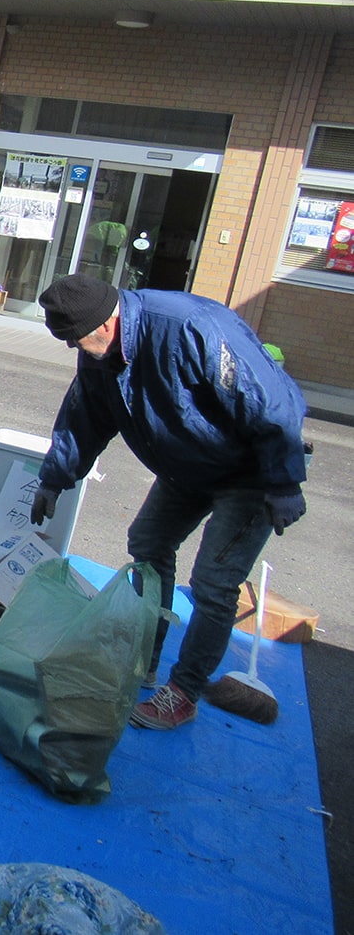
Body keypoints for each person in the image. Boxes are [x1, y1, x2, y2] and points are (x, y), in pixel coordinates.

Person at [29, 273, 309, 732]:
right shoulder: (100, 354)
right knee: (148, 542)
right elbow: (84, 418)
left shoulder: (190, 326)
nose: (72, 349)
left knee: (214, 585)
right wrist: (54, 479)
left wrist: (284, 483)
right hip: (188, 467)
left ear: (107, 322)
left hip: (250, 472)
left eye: (75, 339)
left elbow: (270, 401)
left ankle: (185, 691)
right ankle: (147, 654)